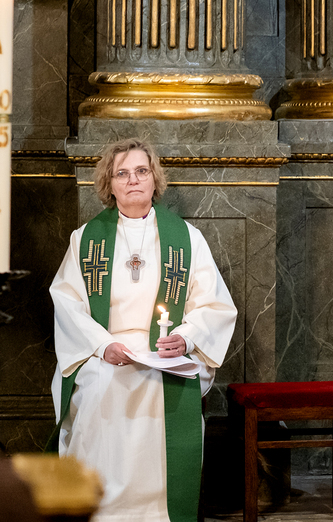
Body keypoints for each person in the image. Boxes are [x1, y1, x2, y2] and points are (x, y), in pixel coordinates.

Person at [49, 138, 237, 522]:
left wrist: (185, 337)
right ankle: (101, 509)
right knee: (99, 386)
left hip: (164, 352)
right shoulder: (86, 239)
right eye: (122, 173)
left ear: (154, 180)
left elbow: (213, 304)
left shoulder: (186, 238)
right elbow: (68, 304)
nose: (132, 180)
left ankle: (158, 512)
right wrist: (102, 345)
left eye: (141, 171)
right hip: (107, 351)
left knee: (159, 386)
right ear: (109, 184)